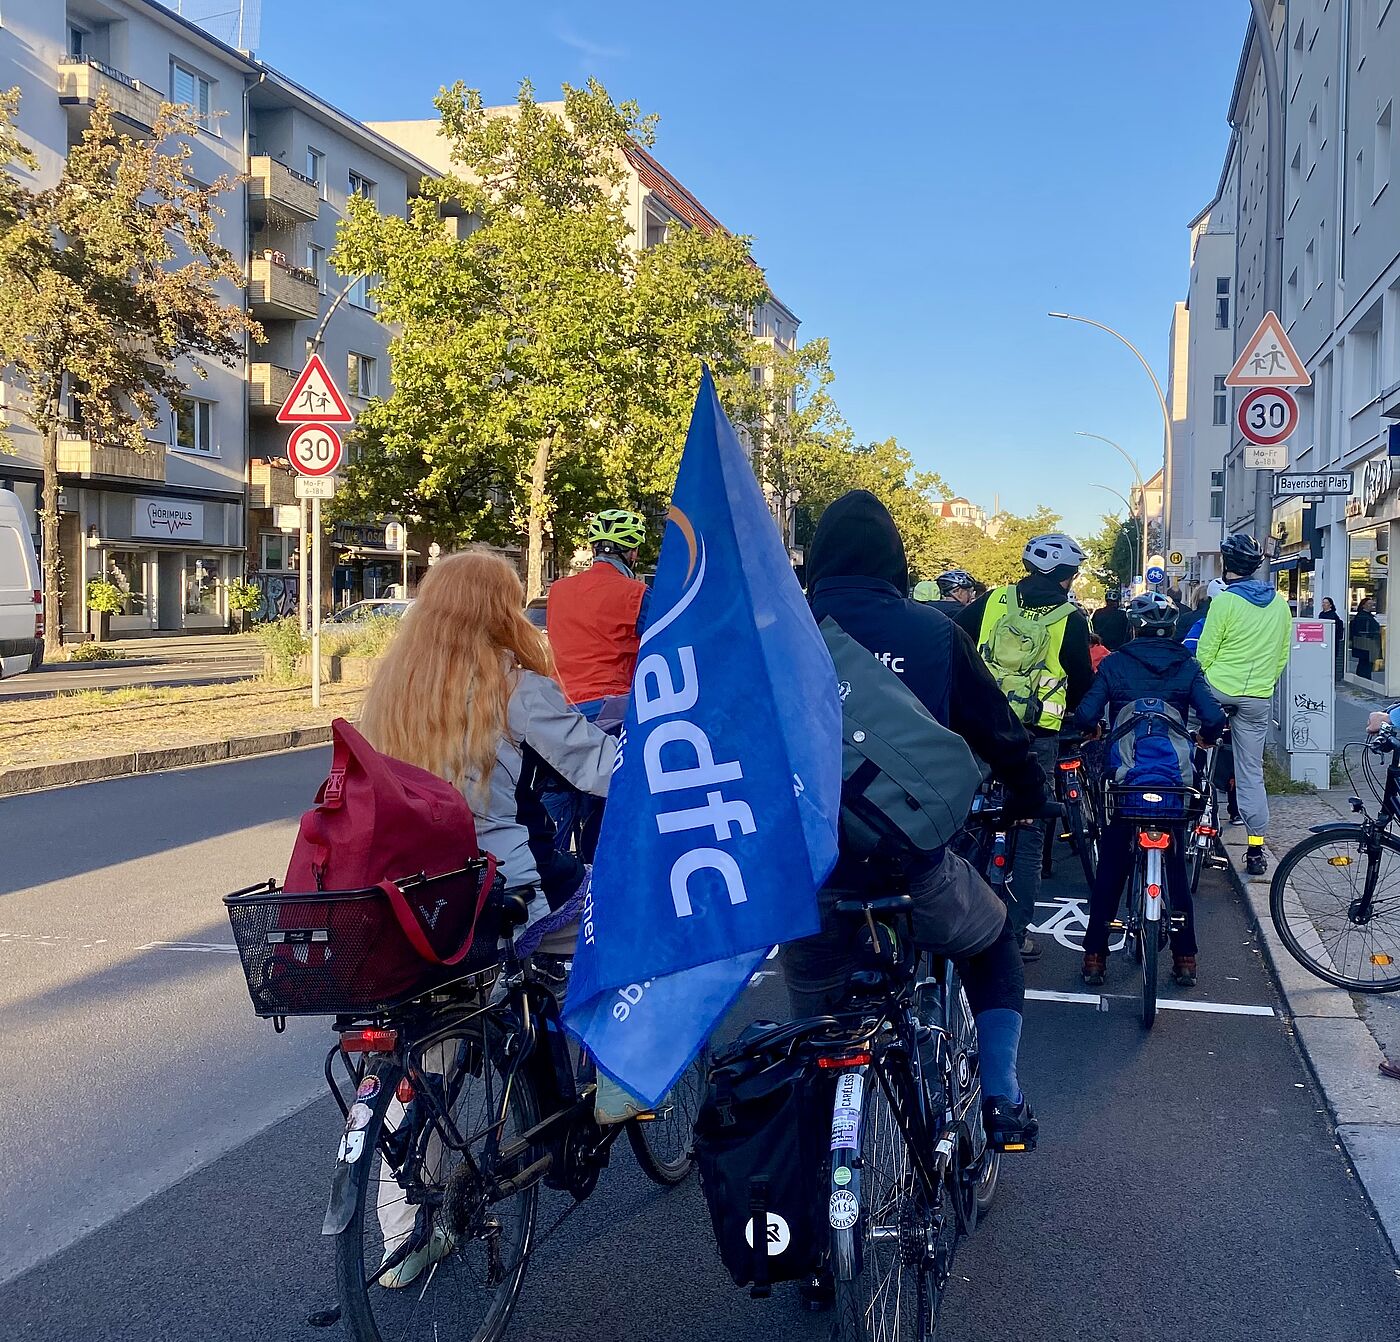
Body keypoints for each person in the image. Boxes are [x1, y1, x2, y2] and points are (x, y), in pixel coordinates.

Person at [358, 547, 616, 1285]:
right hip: (504, 892)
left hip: (417, 904)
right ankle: (623, 1079)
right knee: (619, 915)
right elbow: (601, 771)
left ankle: (400, 1239)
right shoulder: (515, 685)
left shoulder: (394, 687)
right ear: (499, 611)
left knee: (425, 1057)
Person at [787, 489, 1051, 1151]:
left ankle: (819, 1156)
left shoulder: (779, 635)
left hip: (805, 876)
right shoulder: (935, 631)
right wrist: (1027, 791)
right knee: (991, 941)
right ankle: (1001, 1101)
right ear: (895, 559)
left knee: (815, 1024)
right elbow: (999, 734)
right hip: (909, 863)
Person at [1068, 592, 1226, 988]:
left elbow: (1087, 714)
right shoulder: (1187, 665)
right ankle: (1185, 957)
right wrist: (1204, 740)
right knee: (1175, 866)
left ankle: (1094, 957)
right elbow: (1212, 718)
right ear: (1173, 629)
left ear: (1134, 628)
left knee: (1112, 865)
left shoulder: (1116, 663)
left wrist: (1096, 731)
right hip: (1172, 785)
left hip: (1127, 782)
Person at [957, 534, 1094, 959]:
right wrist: (1073, 715)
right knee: (1032, 832)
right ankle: (1016, 935)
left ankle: (959, 920)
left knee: (967, 819)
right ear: (1066, 575)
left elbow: (953, 643)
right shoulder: (1070, 617)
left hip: (984, 727)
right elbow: (1081, 678)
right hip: (1038, 734)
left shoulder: (993, 601)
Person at [542, 508, 650, 857]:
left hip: (558, 712)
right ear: (631, 552)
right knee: (610, 807)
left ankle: (551, 885)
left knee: (556, 806)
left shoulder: (558, 592)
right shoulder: (636, 594)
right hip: (612, 714)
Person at [1196, 533, 1292, 878]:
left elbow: (1205, 652)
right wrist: (1261, 685)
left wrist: (1203, 686)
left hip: (1218, 689)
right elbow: (1282, 655)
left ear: (1226, 565)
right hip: (1256, 697)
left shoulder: (1224, 601)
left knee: (1198, 746)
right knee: (1252, 772)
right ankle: (1255, 848)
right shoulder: (1280, 604)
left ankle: (1200, 816)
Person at [912, 567, 979, 618]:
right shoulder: (965, 614)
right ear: (958, 591)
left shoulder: (925, 609)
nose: (972, 596)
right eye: (969, 591)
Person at [1351, 596, 1381, 682]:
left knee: (1365, 663)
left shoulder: (1366, 616)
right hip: (1366, 643)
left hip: (1366, 643)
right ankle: (1364, 679)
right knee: (1365, 663)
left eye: (1372, 604)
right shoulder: (1362, 617)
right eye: (1369, 604)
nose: (1371, 606)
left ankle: (1363, 679)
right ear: (1363, 605)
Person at [1319, 596, 1346, 680]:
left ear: (1330, 605)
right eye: (1323, 602)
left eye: (1326, 603)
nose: (1324, 604)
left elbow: (1338, 626)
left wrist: (1338, 637)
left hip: (1332, 641)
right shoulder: (1321, 614)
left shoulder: (1333, 615)